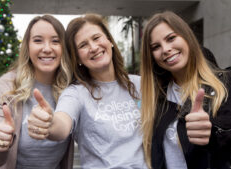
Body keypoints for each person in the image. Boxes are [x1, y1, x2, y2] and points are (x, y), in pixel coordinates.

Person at [28, 14, 148, 168]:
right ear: (77, 58)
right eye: (83, 45)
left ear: (109, 41)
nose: (93, 47)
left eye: (96, 38)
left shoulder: (140, 84)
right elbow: (61, 125)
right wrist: (49, 124)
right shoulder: (76, 93)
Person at [140, 11, 231, 169]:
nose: (166, 49)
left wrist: (212, 128)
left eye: (171, 38)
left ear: (187, 37)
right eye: (156, 47)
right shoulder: (156, 98)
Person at [0, 15, 73, 169]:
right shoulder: (4, 88)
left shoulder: (72, 90)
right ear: (27, 47)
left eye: (55, 41)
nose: (47, 48)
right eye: (38, 40)